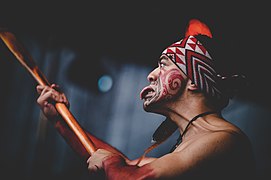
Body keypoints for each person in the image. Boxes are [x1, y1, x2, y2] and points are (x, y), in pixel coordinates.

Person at [36, 19, 256, 179]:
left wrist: (110, 162)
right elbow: (130, 167)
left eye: (164, 64)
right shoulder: (191, 146)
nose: (152, 74)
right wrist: (61, 121)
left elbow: (130, 176)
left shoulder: (224, 139)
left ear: (195, 80)